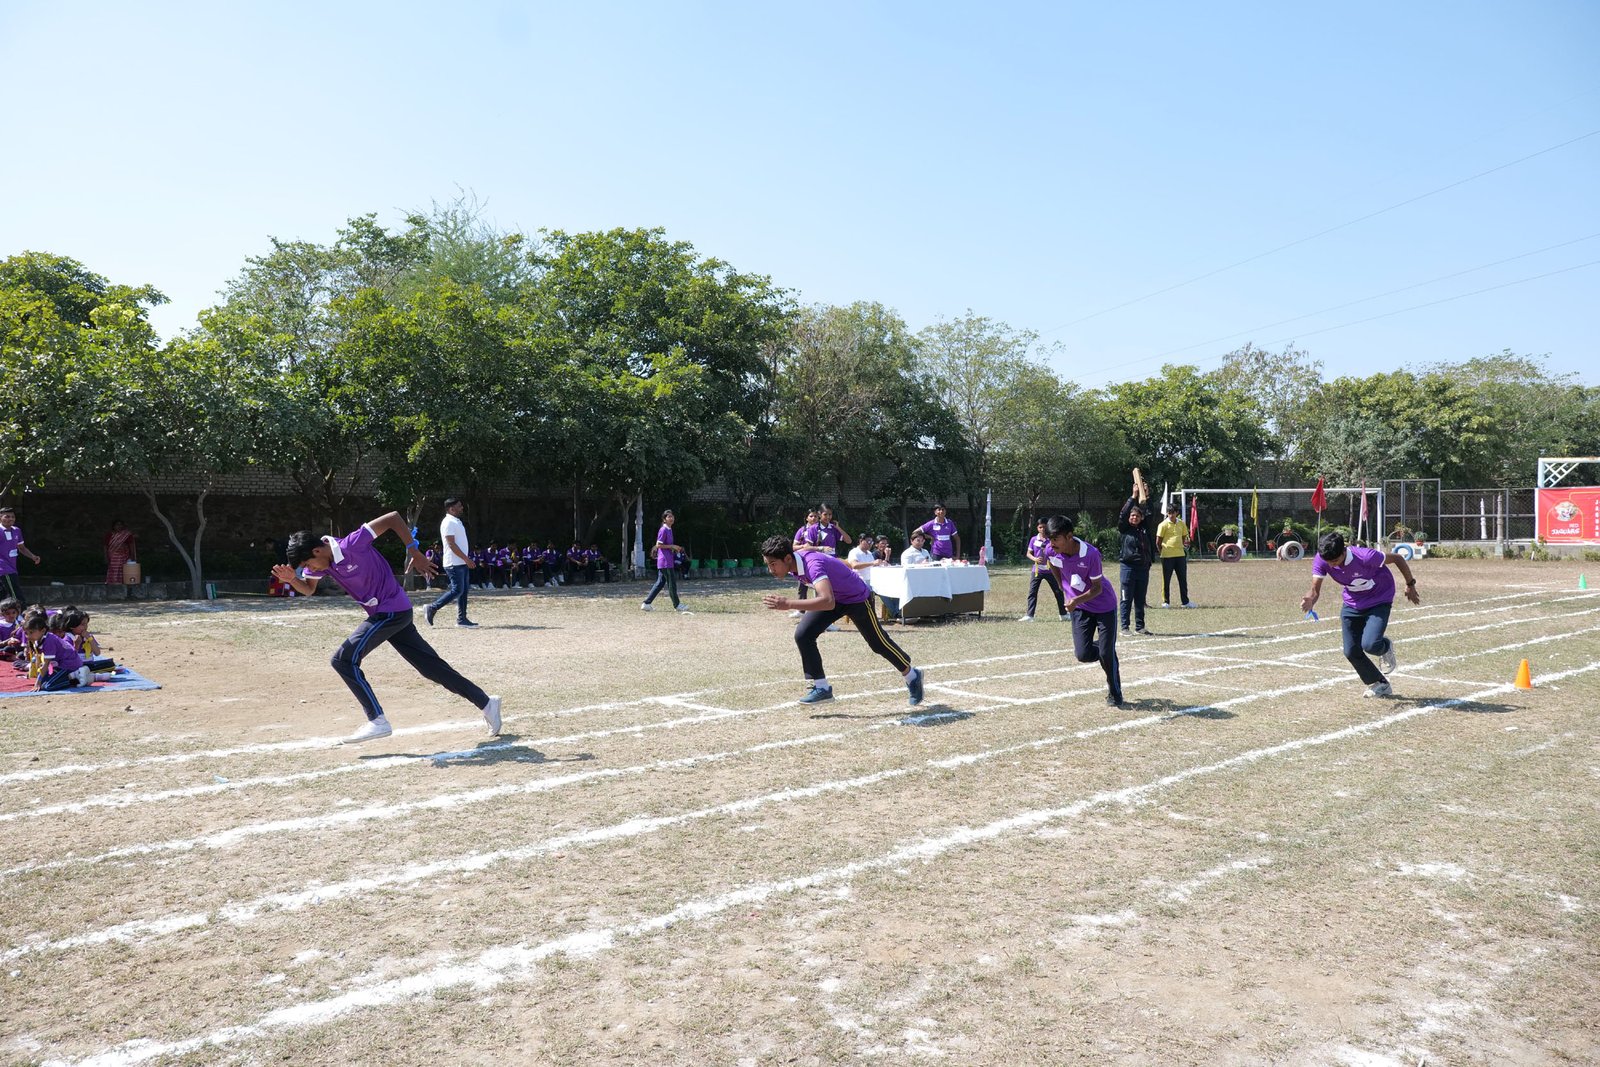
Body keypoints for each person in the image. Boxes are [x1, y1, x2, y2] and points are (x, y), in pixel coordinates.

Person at [273, 512, 502, 743]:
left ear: (317, 551)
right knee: (431, 668)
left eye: (307, 564)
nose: (309, 569)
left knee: (342, 660)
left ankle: (377, 721)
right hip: (391, 613)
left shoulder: (354, 542)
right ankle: (486, 702)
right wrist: (292, 580)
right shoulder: (322, 563)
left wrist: (415, 551)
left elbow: (393, 518)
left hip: (391, 611)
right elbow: (309, 589)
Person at [760, 534, 923, 706]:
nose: (771, 570)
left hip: (856, 598)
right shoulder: (792, 561)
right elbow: (829, 596)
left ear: (787, 558)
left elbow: (827, 601)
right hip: (835, 599)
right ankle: (821, 688)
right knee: (803, 634)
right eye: (768, 564)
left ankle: (912, 675)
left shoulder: (812, 565)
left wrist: (788, 604)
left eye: (773, 564)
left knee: (878, 643)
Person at [1299, 531, 1420, 698]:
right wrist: (1310, 599)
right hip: (1352, 603)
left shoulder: (1366, 557)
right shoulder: (1323, 558)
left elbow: (1398, 558)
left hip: (1379, 599)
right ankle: (1380, 683)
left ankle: (1385, 647)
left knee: (1370, 644)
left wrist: (1410, 584)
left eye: (1335, 561)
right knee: (1351, 651)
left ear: (1344, 551)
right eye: (1328, 562)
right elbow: (1314, 590)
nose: (1332, 566)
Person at [1045, 514, 1124, 707]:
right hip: (1080, 608)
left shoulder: (1091, 554)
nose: (1051, 543)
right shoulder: (1051, 551)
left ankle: (1115, 694)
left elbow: (1097, 588)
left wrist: (1075, 599)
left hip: (1104, 606)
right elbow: (1053, 565)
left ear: (1069, 536)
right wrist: (1063, 587)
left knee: (1106, 655)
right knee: (1083, 654)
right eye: (1050, 539)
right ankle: (1105, 649)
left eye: (1056, 539)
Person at [426, 498, 478, 627]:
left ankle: (462, 619)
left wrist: (465, 560)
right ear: (451, 509)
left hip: (461, 562)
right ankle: (432, 607)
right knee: (457, 590)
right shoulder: (448, 522)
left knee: (463, 591)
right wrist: (466, 559)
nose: (462, 508)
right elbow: (451, 544)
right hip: (453, 563)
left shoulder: (456, 521)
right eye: (459, 506)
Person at [1117, 470, 1157, 635]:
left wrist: (1145, 496)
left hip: (1143, 568)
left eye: (1137, 516)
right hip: (1128, 568)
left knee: (1140, 600)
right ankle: (1124, 627)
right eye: (1132, 516)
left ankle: (1140, 627)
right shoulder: (1124, 528)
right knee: (1126, 598)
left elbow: (1149, 513)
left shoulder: (1144, 528)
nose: (1134, 518)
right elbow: (1123, 514)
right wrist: (1133, 496)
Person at [23, 613, 92, 691]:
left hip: (69, 664)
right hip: (59, 664)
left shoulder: (49, 641)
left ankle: (76, 676)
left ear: (43, 631)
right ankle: (73, 676)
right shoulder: (38, 639)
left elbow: (46, 664)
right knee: (43, 684)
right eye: (26, 633)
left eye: (31, 632)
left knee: (49, 687)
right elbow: (41, 662)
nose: (28, 636)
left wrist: (37, 683)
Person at [642, 509, 689, 613]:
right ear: (664, 519)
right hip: (665, 562)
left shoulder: (669, 529)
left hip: (667, 560)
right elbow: (658, 545)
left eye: (672, 516)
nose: (671, 518)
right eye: (669, 517)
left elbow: (664, 545)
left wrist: (673, 548)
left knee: (660, 583)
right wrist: (672, 546)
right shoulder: (663, 530)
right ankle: (677, 605)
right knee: (672, 583)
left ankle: (646, 603)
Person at [1019, 518, 1065, 622]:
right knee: (1032, 593)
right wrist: (1035, 559)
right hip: (1037, 571)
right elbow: (1028, 553)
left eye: (1044, 527)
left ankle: (1063, 614)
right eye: (1040, 527)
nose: (1042, 529)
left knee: (1058, 591)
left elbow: (1058, 553)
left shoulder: (1052, 539)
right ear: (1037, 528)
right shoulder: (1034, 539)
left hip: (1051, 571)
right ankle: (1030, 616)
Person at [0, 506, 41, 608]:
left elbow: (21, 548)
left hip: (12, 567)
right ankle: (23, 616)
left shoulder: (16, 530)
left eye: (13, 517)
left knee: (4, 595)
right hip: (4, 568)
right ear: (0, 517)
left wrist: (33, 556)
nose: (11, 519)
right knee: (16, 595)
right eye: (7, 516)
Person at [1156, 503, 1195, 608]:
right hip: (1167, 557)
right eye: (1169, 513)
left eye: (1172, 513)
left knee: (1182, 579)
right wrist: (1162, 552)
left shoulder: (1181, 524)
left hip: (1180, 556)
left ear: (1177, 513)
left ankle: (1185, 602)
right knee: (1166, 580)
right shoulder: (1163, 525)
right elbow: (1158, 542)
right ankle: (1166, 602)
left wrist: (1181, 546)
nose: (1171, 515)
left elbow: (1184, 537)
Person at [789, 508, 820, 616]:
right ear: (806, 518)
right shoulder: (802, 530)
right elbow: (793, 546)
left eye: (816, 516)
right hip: (803, 561)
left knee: (819, 585)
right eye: (811, 516)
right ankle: (801, 609)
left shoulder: (821, 530)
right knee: (802, 585)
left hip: (817, 560)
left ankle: (818, 611)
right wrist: (804, 546)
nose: (814, 518)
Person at [103, 520, 138, 585]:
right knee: (113, 570)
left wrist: (133, 556)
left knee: (123, 570)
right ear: (113, 526)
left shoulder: (126, 535)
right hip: (112, 557)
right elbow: (105, 546)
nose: (119, 526)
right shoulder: (109, 535)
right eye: (117, 525)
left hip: (124, 556)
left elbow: (131, 545)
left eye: (120, 525)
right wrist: (106, 557)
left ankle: (123, 583)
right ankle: (112, 583)